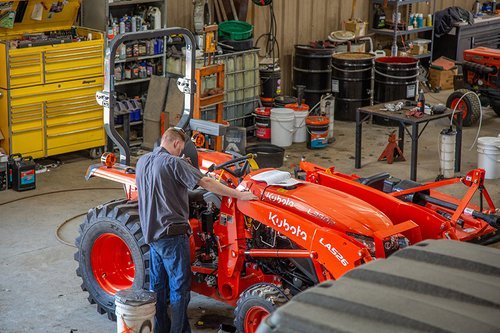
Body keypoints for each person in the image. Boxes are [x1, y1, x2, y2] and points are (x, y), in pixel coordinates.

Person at [135, 127, 257, 333]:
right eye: (181, 148)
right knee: (180, 289)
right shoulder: (174, 162)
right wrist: (239, 195)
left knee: (158, 287)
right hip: (172, 234)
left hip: (152, 235)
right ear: (176, 143)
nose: (181, 153)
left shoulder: (142, 161)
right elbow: (207, 182)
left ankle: (160, 329)